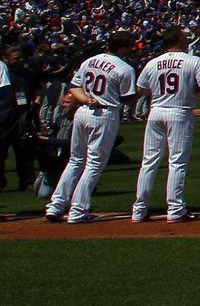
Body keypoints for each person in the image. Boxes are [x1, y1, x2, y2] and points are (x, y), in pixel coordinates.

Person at [44, 34, 136, 224]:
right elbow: (127, 98)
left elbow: (74, 87)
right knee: (94, 163)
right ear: (124, 47)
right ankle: (78, 210)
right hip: (104, 113)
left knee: (75, 160)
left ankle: (55, 206)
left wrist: (86, 99)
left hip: (83, 111)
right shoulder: (125, 68)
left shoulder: (90, 61)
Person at [131, 26, 200, 223]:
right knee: (177, 162)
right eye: (184, 37)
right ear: (179, 40)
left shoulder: (153, 63)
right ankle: (175, 209)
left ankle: (139, 209)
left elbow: (141, 89)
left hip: (156, 111)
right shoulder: (193, 60)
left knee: (149, 161)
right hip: (179, 111)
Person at [0, 43, 33, 194]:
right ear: (5, 58)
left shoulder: (26, 73)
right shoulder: (4, 72)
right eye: (15, 58)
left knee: (24, 151)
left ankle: (27, 181)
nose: (19, 60)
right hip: (5, 117)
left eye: (20, 57)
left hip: (22, 116)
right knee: (1, 152)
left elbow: (35, 89)